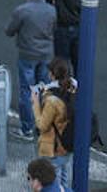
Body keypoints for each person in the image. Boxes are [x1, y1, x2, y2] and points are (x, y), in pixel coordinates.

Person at [6, 0, 57, 141]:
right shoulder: (51, 10)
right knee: (44, 90)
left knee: (27, 92)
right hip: (46, 54)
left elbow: (10, 30)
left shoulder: (22, 10)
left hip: (28, 54)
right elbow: (54, 28)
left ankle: (27, 128)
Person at [33, 58, 75, 187]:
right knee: (64, 171)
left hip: (54, 145)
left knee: (53, 176)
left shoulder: (51, 98)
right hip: (69, 141)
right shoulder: (74, 87)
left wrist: (35, 101)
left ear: (52, 74)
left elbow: (42, 125)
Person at [45, 0, 82, 68]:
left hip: (63, 27)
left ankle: (64, 81)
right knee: (78, 60)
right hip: (79, 27)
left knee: (62, 61)